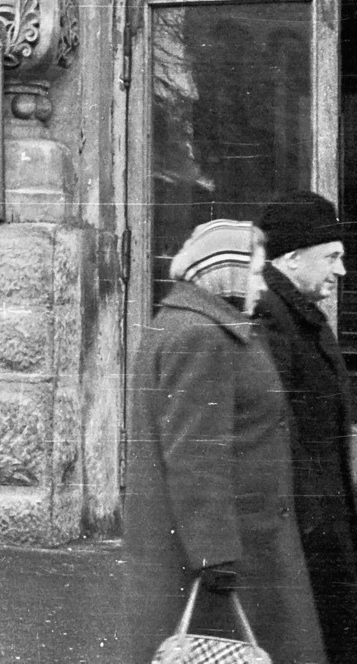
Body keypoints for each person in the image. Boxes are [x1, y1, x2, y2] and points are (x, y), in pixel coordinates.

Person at [123, 219, 325, 664]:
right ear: (227, 275)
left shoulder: (191, 325)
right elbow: (194, 454)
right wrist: (216, 556)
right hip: (231, 550)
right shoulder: (202, 336)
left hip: (227, 539)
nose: (261, 286)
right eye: (253, 273)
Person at [254, 191, 357, 664]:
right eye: (332, 257)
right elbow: (277, 431)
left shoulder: (302, 316)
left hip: (321, 522)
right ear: (292, 258)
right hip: (305, 531)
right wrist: (316, 528)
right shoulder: (273, 321)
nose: (342, 271)